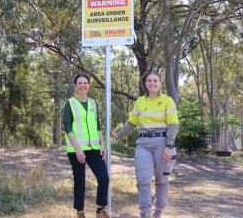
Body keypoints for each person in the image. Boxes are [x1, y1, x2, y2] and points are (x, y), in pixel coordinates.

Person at [111, 70, 179, 218]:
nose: (152, 83)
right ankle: (145, 213)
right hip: (143, 144)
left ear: (160, 83)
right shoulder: (140, 101)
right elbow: (131, 124)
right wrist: (117, 134)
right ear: (145, 83)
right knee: (142, 180)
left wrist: (169, 146)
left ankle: (158, 211)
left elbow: (173, 125)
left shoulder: (167, 101)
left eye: (155, 80)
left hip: (162, 142)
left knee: (161, 180)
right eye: (149, 80)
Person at [63, 74, 110, 218]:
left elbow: (97, 126)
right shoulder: (69, 103)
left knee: (104, 178)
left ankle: (100, 209)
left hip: (94, 149)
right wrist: (78, 149)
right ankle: (80, 211)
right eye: (79, 83)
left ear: (89, 85)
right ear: (75, 86)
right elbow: (67, 127)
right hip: (76, 150)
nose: (82, 85)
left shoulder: (93, 103)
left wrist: (102, 145)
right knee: (80, 181)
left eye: (85, 83)